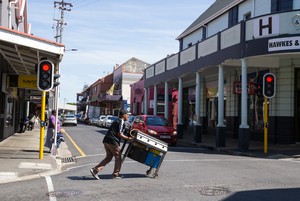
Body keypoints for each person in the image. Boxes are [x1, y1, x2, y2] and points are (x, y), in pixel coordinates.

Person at [90, 109, 133, 180]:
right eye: (127, 115)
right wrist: (128, 138)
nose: (128, 116)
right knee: (118, 157)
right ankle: (115, 174)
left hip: (106, 140)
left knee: (109, 157)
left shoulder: (116, 120)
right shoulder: (121, 121)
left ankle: (95, 170)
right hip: (112, 141)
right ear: (124, 115)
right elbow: (119, 134)